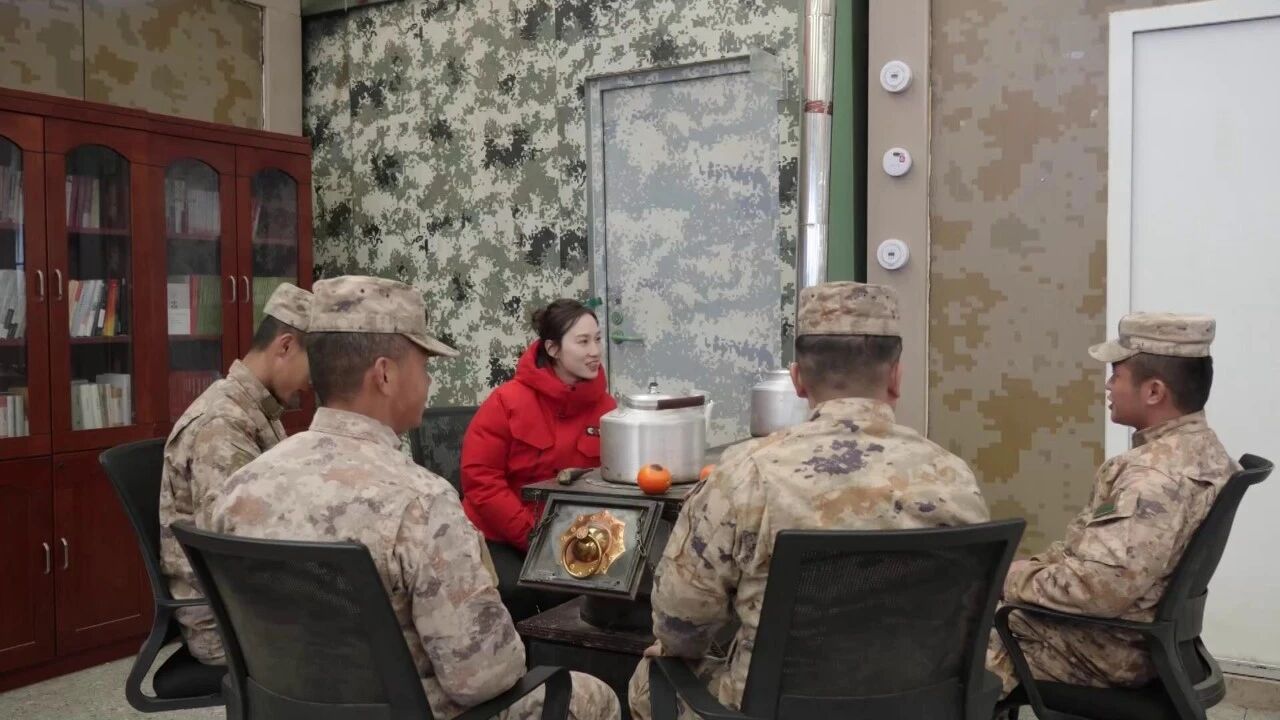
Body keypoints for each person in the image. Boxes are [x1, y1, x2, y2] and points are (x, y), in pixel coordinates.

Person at [208, 276, 619, 720]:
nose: (427, 381)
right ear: (385, 375)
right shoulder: (423, 504)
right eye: (424, 367)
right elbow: (486, 677)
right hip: (411, 710)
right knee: (594, 695)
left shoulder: (238, 490)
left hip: (283, 710)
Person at [627, 281, 991, 720]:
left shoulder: (745, 474)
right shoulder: (953, 477)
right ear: (896, 376)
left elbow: (680, 626)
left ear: (798, 380)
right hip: (916, 706)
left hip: (769, 709)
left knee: (649, 680)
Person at [987, 312, 1238, 695]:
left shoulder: (1152, 478)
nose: (1108, 386)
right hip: (1138, 641)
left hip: (1101, 651)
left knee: (945, 647)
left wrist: (1008, 579)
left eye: (1116, 375)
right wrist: (1032, 570)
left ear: (1153, 392)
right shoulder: (1205, 450)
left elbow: (1097, 588)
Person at [158, 282, 312, 665]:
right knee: (362, 643)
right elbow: (236, 549)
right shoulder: (223, 423)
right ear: (285, 346)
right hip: (225, 624)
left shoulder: (257, 409)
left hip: (247, 604)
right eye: (313, 367)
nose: (310, 384)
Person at [460, 298, 616, 619]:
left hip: (569, 537)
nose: (595, 351)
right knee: (517, 591)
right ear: (553, 349)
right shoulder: (506, 401)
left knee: (605, 595)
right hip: (500, 535)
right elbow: (481, 480)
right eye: (583, 341)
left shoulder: (607, 409)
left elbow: (612, 481)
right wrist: (534, 534)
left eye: (598, 339)